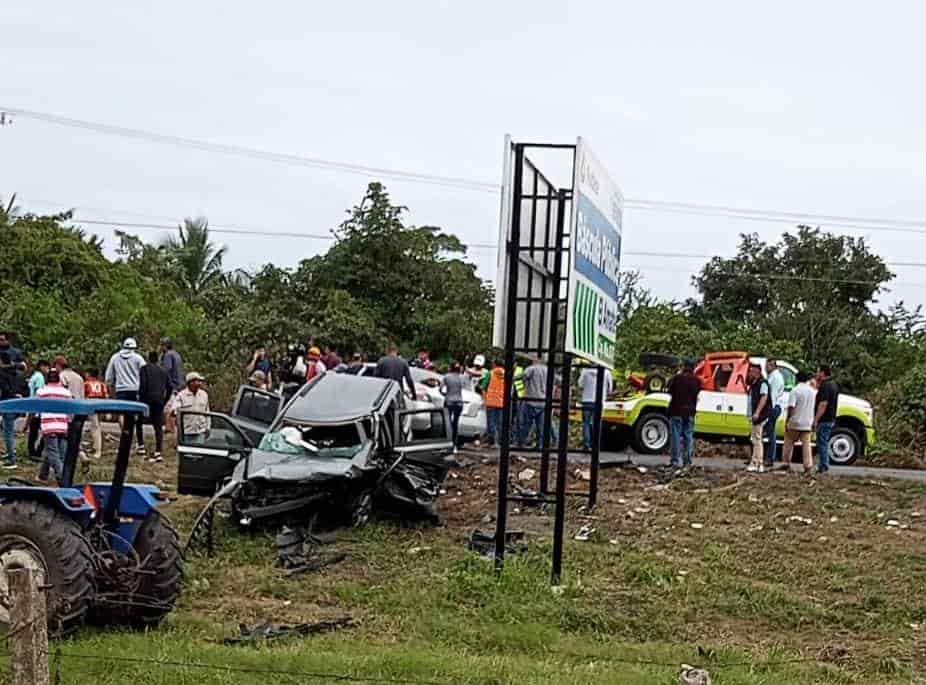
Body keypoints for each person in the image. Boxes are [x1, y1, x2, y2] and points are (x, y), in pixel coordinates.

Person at [105, 338, 147, 455]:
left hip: (121, 390)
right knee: (135, 416)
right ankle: (138, 443)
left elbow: (109, 377)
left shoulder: (115, 357)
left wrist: (111, 386)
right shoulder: (138, 358)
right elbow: (145, 373)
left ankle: (125, 438)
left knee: (122, 414)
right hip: (135, 390)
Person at [36, 368, 72, 484]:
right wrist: (69, 420)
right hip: (62, 425)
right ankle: (43, 476)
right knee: (56, 453)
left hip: (49, 425)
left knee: (53, 454)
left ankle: (63, 480)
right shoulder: (66, 392)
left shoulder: (42, 392)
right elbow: (71, 410)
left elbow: (36, 409)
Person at [667, 359, 701, 468]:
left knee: (676, 436)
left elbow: (669, 389)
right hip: (690, 411)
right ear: (693, 367)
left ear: (684, 367)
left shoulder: (677, 378)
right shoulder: (697, 380)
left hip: (676, 411)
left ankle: (675, 461)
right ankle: (687, 461)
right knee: (688, 436)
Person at [518, 356, 556, 447]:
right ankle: (540, 445)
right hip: (543, 402)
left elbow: (521, 377)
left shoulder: (531, 369)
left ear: (537, 359)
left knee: (525, 424)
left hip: (530, 400)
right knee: (541, 426)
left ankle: (522, 443)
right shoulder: (549, 371)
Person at [139, 351, 170, 462]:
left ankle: (141, 445)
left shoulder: (144, 369)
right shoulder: (163, 371)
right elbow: (169, 387)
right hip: (159, 400)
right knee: (158, 426)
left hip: (146, 400)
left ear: (148, 358)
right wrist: (164, 399)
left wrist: (141, 399)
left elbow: (143, 385)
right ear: (157, 359)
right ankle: (158, 451)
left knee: (139, 422)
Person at [782, 371, 815, 474]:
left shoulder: (795, 390)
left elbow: (791, 407)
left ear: (797, 379)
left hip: (795, 422)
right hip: (807, 422)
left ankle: (786, 463)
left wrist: (787, 420)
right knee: (806, 445)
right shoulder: (812, 392)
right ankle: (808, 466)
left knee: (788, 442)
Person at [55, 356, 86, 463]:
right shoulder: (79, 377)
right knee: (75, 435)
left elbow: (61, 393)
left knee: (64, 436)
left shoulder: (62, 376)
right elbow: (82, 395)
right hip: (79, 409)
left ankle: (64, 461)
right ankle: (81, 454)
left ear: (58, 365)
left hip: (66, 409)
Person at [578, 366, 613, 452]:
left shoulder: (585, 370)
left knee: (586, 423)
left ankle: (586, 445)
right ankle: (595, 445)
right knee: (596, 423)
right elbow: (610, 389)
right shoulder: (606, 372)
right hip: (599, 401)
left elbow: (580, 384)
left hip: (586, 400)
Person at [168, 372, 211, 441]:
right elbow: (174, 411)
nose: (200, 383)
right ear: (191, 382)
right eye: (198, 381)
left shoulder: (204, 395)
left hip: (200, 432)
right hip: (186, 433)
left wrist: (208, 428)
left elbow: (207, 412)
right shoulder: (181, 395)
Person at [813, 365, 840, 475]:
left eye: (818, 371)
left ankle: (823, 465)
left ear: (823, 373)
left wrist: (816, 419)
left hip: (824, 419)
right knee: (824, 441)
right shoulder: (833, 384)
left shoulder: (825, 386)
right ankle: (823, 464)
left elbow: (823, 404)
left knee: (822, 442)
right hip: (831, 417)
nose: (816, 374)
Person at [746, 363, 770, 473]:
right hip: (755, 415)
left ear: (758, 372)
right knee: (755, 438)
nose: (750, 373)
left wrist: (757, 412)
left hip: (760, 415)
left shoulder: (762, 383)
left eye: (752, 371)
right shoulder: (754, 384)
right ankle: (756, 462)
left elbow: (764, 397)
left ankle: (757, 462)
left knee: (757, 439)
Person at [0, 352, 23, 468]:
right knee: (8, 429)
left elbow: (4, 389)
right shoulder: (17, 373)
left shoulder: (2, 374)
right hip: (17, 403)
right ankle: (10, 452)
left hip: (6, 404)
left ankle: (11, 459)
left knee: (8, 432)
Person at [25, 359, 49, 461]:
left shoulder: (34, 376)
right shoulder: (40, 377)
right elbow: (39, 393)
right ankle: (36, 452)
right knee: (45, 431)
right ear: (41, 367)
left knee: (33, 432)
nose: (47, 370)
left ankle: (32, 451)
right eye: (47, 367)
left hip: (33, 406)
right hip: (38, 408)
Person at [440, 361, 466, 450]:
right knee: (455, 423)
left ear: (450, 368)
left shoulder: (446, 377)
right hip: (459, 402)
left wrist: (445, 394)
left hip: (449, 401)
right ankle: (455, 445)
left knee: (448, 423)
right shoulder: (462, 378)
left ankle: (447, 443)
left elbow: (441, 389)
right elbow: (464, 387)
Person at [83, 367, 108, 459]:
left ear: (89, 374)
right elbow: (106, 396)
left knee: (95, 427)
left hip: (91, 405)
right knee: (97, 426)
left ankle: (98, 450)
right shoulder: (102, 384)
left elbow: (84, 396)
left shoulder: (86, 384)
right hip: (101, 405)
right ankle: (95, 446)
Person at [764, 359, 785, 466]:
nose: (765, 368)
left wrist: (768, 410)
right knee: (768, 432)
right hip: (773, 406)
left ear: (772, 366)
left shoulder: (775, 377)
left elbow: (773, 395)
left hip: (774, 407)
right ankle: (764, 457)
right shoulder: (773, 376)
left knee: (771, 433)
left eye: (767, 366)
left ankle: (770, 458)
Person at [482, 359, 506, 446]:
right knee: (500, 423)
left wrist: (484, 399)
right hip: (501, 402)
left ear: (494, 365)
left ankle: (491, 442)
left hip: (491, 402)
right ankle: (500, 442)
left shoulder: (490, 373)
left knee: (491, 422)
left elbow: (483, 387)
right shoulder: (507, 374)